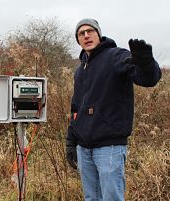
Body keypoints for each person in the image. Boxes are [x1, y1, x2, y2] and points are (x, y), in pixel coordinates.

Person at [66, 18, 161, 201]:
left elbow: (148, 79)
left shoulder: (115, 56)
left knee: (111, 198)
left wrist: (145, 63)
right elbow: (76, 108)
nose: (86, 35)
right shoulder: (80, 71)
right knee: (91, 198)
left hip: (108, 147)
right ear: (78, 40)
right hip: (84, 148)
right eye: (81, 33)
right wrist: (71, 142)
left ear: (99, 34)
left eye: (90, 31)